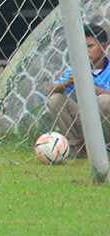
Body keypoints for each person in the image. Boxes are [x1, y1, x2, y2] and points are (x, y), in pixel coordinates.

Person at [46, 23, 110, 158]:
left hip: (105, 124)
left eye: (90, 46)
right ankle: (77, 148)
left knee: (104, 101)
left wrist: (91, 88)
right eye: (81, 46)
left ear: (103, 47)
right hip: (84, 119)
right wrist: (67, 83)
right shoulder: (75, 68)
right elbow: (51, 90)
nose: (85, 50)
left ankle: (105, 148)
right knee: (55, 99)